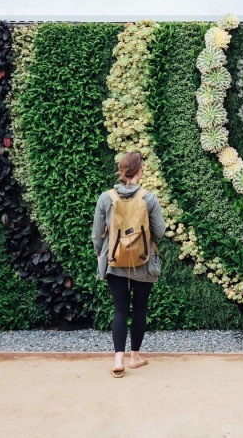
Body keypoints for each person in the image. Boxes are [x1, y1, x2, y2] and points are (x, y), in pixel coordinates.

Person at [92, 152, 165, 378]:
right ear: (140, 171)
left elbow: (97, 234)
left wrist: (99, 255)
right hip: (142, 262)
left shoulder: (106, 197)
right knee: (140, 309)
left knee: (120, 310)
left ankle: (117, 360)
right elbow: (160, 232)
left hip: (114, 260)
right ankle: (134, 357)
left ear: (121, 171)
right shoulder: (149, 198)